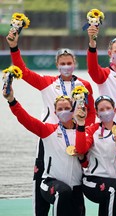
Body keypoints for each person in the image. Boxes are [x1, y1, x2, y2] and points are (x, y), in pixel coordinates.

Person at [6, 30, 96, 216]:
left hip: (74, 136)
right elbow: (23, 71)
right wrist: (14, 47)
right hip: (49, 136)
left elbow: (91, 111)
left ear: (74, 64)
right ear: (57, 65)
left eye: (69, 63)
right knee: (42, 178)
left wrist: (86, 130)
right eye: (62, 64)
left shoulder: (84, 85)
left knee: (74, 182)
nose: (66, 66)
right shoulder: (46, 82)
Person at [3, 84, 85, 216]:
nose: (63, 111)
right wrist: (12, 100)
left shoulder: (83, 132)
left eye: (67, 108)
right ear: (55, 113)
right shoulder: (48, 130)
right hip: (50, 183)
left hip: (75, 186)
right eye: (60, 109)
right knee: (62, 192)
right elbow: (26, 119)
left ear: (73, 110)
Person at [74, 95, 116, 216]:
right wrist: (81, 123)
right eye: (101, 110)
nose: (106, 112)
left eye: (108, 108)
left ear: (114, 111)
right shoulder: (92, 130)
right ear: (97, 114)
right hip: (92, 180)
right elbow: (81, 149)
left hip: (114, 182)